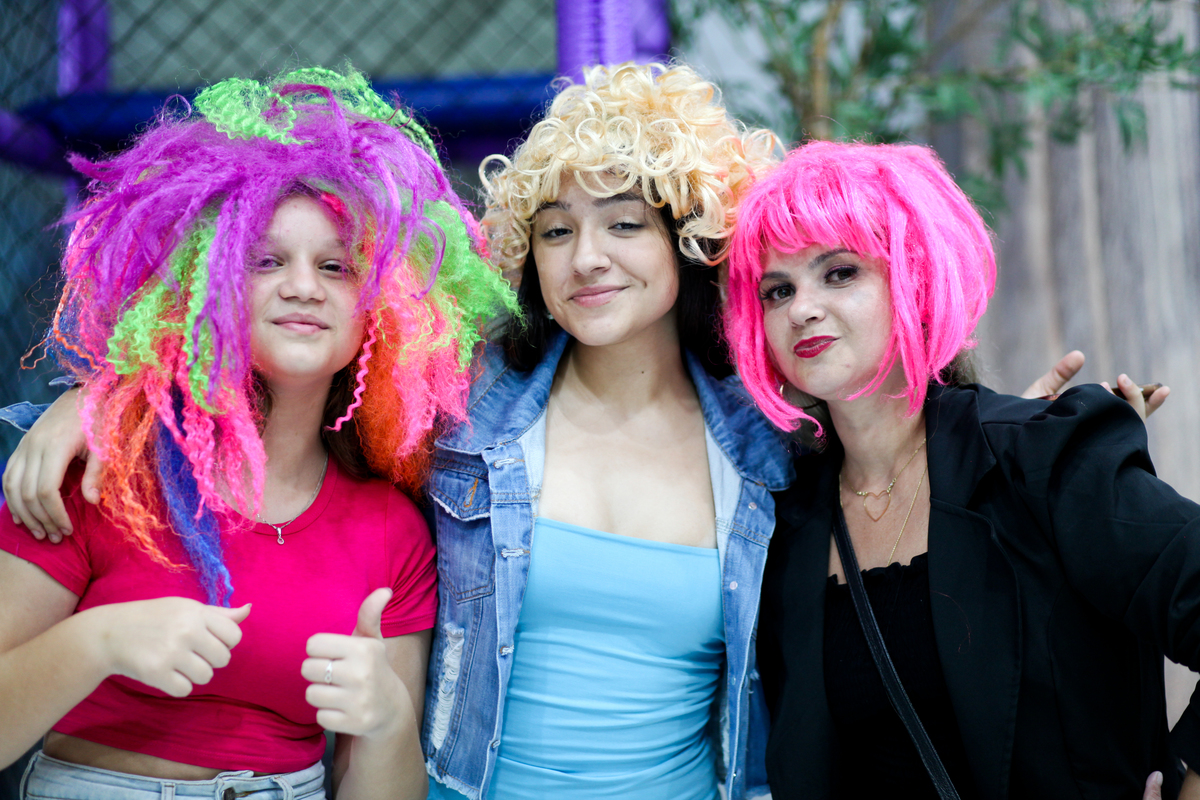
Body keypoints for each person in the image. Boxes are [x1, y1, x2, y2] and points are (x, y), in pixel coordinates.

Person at [1, 63, 1163, 800]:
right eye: (556, 230)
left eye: (623, 222)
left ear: (687, 243)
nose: (589, 256)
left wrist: (1020, 426)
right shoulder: (457, 413)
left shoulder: (770, 447)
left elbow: (890, 420)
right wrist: (87, 397)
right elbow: (289, 375)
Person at [0, 67, 514, 800]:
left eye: (336, 267)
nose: (302, 285)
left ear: (382, 309)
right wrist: (98, 643)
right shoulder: (95, 469)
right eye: (264, 260)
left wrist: (389, 720)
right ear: (202, 286)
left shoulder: (392, 531)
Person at [724, 140, 1198, 799]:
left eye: (839, 273)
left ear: (914, 277)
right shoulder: (780, 522)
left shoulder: (1042, 459)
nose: (802, 307)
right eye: (778, 290)